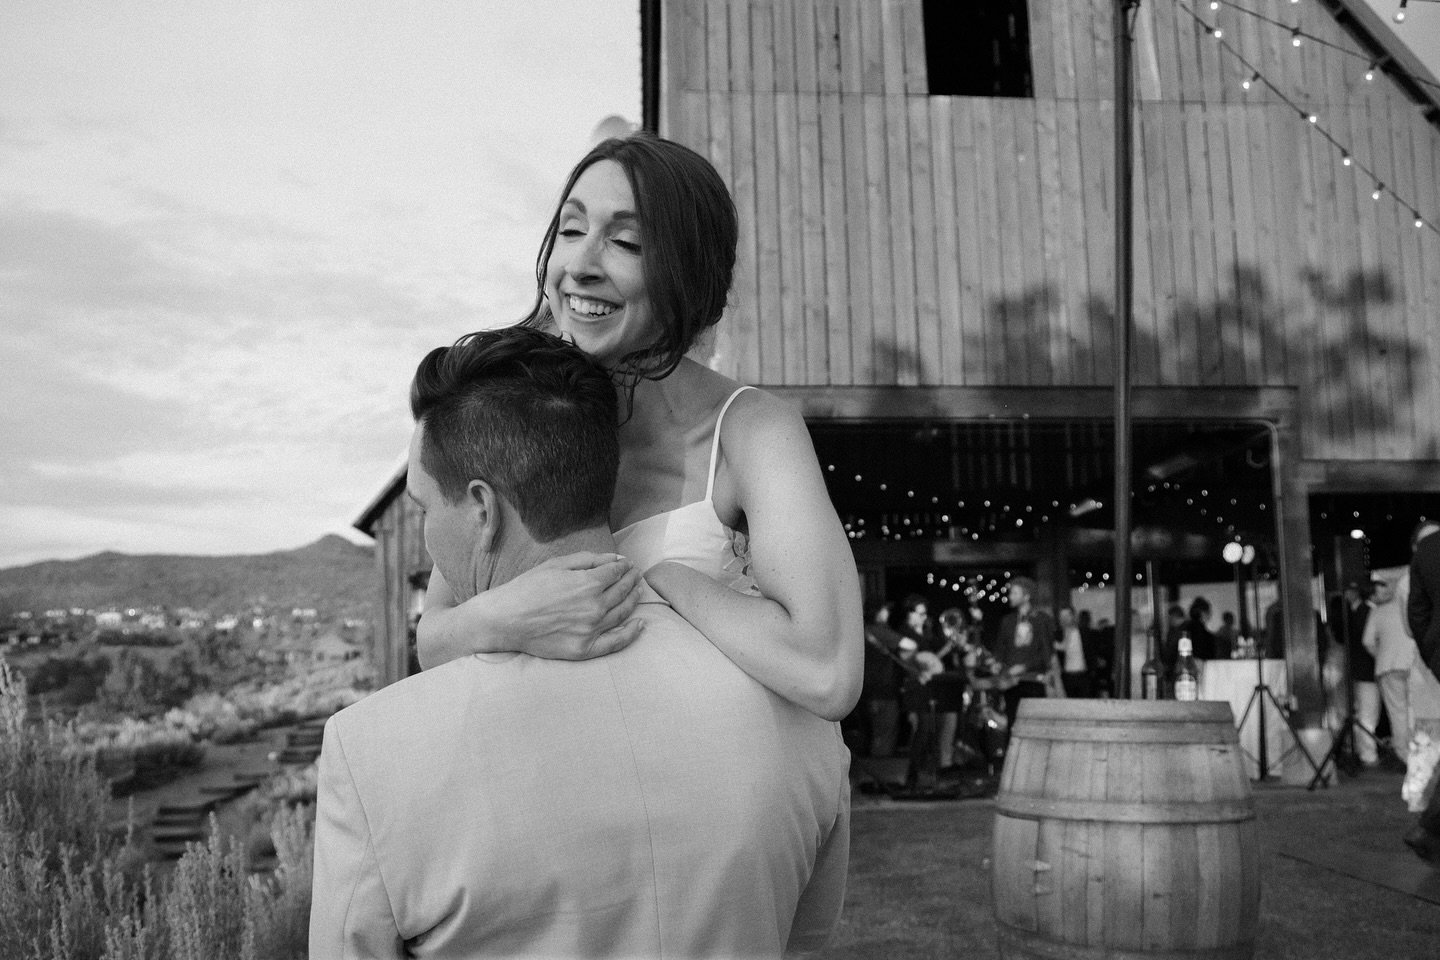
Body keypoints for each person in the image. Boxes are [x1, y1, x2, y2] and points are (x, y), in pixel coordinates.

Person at [310, 328, 849, 958]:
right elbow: (807, 946)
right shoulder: (804, 733)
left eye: (426, 509)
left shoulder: (369, 754)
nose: (427, 538)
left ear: (483, 512)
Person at [414, 133, 863, 722]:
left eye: (624, 242)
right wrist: (509, 616)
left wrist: (654, 579)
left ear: (688, 273)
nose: (579, 266)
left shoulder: (753, 432)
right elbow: (434, 639)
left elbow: (827, 670)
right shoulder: (504, 410)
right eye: (570, 232)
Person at [1404, 520, 1440, 862]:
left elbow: (1416, 614)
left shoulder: (1424, 554)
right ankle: (1429, 825)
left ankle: (1429, 825)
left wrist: (1433, 655)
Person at [1363, 573, 1415, 766]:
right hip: (1413, 664)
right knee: (1414, 711)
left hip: (1388, 667)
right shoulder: (1412, 608)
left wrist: (1381, 654)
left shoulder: (1378, 612)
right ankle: (1420, 754)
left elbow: (1367, 641)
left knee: (1397, 713)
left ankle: (1405, 755)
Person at [992, 577, 1058, 727]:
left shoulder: (1042, 620)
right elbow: (1001, 648)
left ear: (1026, 596)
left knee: (1034, 725)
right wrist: (997, 662)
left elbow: (1047, 652)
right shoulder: (1007, 621)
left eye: (1015, 593)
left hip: (1033, 680)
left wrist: (1025, 666)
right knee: (1013, 724)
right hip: (1011, 682)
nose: (1010, 596)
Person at [1333, 581, 1380, 765]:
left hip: (1363, 668)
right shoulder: (1359, 612)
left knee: (1366, 713)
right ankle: (1367, 753)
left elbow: (1364, 641)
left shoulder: (1363, 611)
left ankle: (1366, 753)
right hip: (1363, 669)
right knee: (1367, 712)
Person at [861, 599, 905, 757]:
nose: (887, 613)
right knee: (884, 734)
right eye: (884, 610)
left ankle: (877, 775)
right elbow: (909, 644)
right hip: (883, 690)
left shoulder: (864, 630)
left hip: (870, 690)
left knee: (877, 734)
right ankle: (882, 775)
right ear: (877, 612)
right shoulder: (878, 630)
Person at [1056, 606, 1091, 698]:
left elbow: (1091, 654)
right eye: (1062, 616)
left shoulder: (1085, 633)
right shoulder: (1057, 635)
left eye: (1067, 616)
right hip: (1067, 677)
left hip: (1083, 675)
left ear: (1073, 616)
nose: (1064, 619)